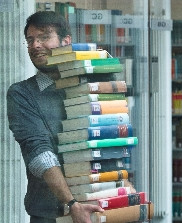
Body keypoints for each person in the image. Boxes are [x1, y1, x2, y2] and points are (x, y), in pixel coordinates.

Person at [7, 11, 105, 223]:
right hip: (51, 214)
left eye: (44, 37)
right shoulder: (21, 94)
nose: (35, 45)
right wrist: (72, 204)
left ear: (65, 42)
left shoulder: (89, 85)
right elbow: (38, 151)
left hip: (101, 206)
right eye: (30, 40)